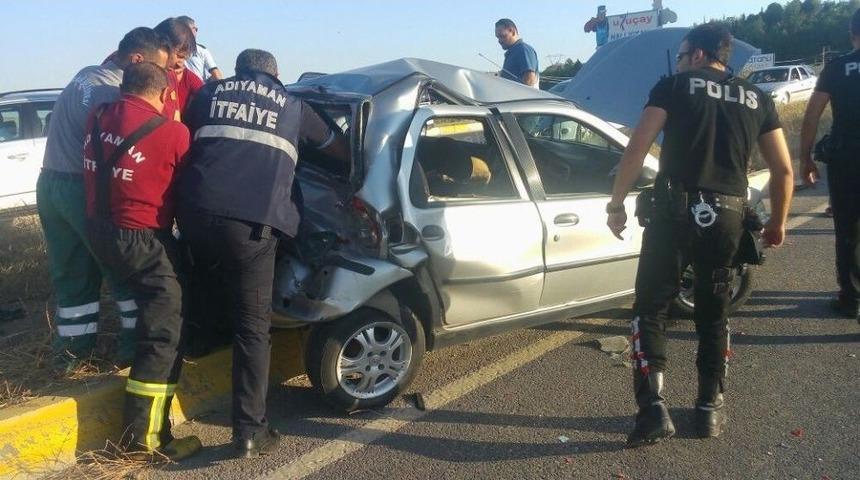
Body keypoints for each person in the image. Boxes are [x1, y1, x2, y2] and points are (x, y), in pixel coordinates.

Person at [606, 23, 793, 447]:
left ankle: (653, 409)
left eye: (681, 53)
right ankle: (709, 410)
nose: (679, 60)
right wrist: (778, 222)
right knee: (713, 314)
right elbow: (783, 169)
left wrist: (616, 204)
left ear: (696, 55)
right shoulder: (756, 97)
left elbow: (637, 147)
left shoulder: (674, 86)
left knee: (651, 308)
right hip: (728, 214)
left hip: (673, 211)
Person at [177, 49, 349, 458]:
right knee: (253, 329)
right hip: (251, 226)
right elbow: (339, 150)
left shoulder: (207, 94)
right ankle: (250, 432)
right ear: (276, 75)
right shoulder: (293, 105)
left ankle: (200, 344)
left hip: (195, 214)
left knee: (200, 286)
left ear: (239, 71)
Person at [83, 62, 200, 460]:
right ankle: (146, 440)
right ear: (167, 95)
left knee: (151, 313)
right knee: (166, 330)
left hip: (99, 230)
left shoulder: (98, 116)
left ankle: (143, 430)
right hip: (143, 238)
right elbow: (189, 190)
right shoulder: (173, 132)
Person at [37, 27, 171, 370]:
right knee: (121, 268)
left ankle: (71, 353)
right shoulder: (111, 94)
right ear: (137, 60)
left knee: (71, 273)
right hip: (82, 188)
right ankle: (132, 349)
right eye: (158, 69)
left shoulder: (86, 75)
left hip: (50, 183)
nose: (160, 77)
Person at [800, 9, 860, 323]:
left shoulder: (837, 67)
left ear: (852, 33)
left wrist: (805, 157)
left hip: (847, 158)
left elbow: (812, 114)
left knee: (847, 229)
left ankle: (850, 298)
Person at [154, 18, 204, 122]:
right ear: (162, 47)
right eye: (179, 56)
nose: (180, 63)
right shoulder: (136, 72)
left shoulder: (172, 75)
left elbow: (175, 117)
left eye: (184, 58)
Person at [494, 18, 539, 88]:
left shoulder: (522, 49)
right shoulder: (513, 52)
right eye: (498, 37)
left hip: (522, 98)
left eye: (502, 36)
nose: (499, 41)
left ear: (513, 32)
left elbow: (529, 80)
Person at [176, 15, 223, 81]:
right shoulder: (172, 50)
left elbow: (216, 73)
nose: (196, 32)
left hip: (198, 88)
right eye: (195, 29)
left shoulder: (201, 50)